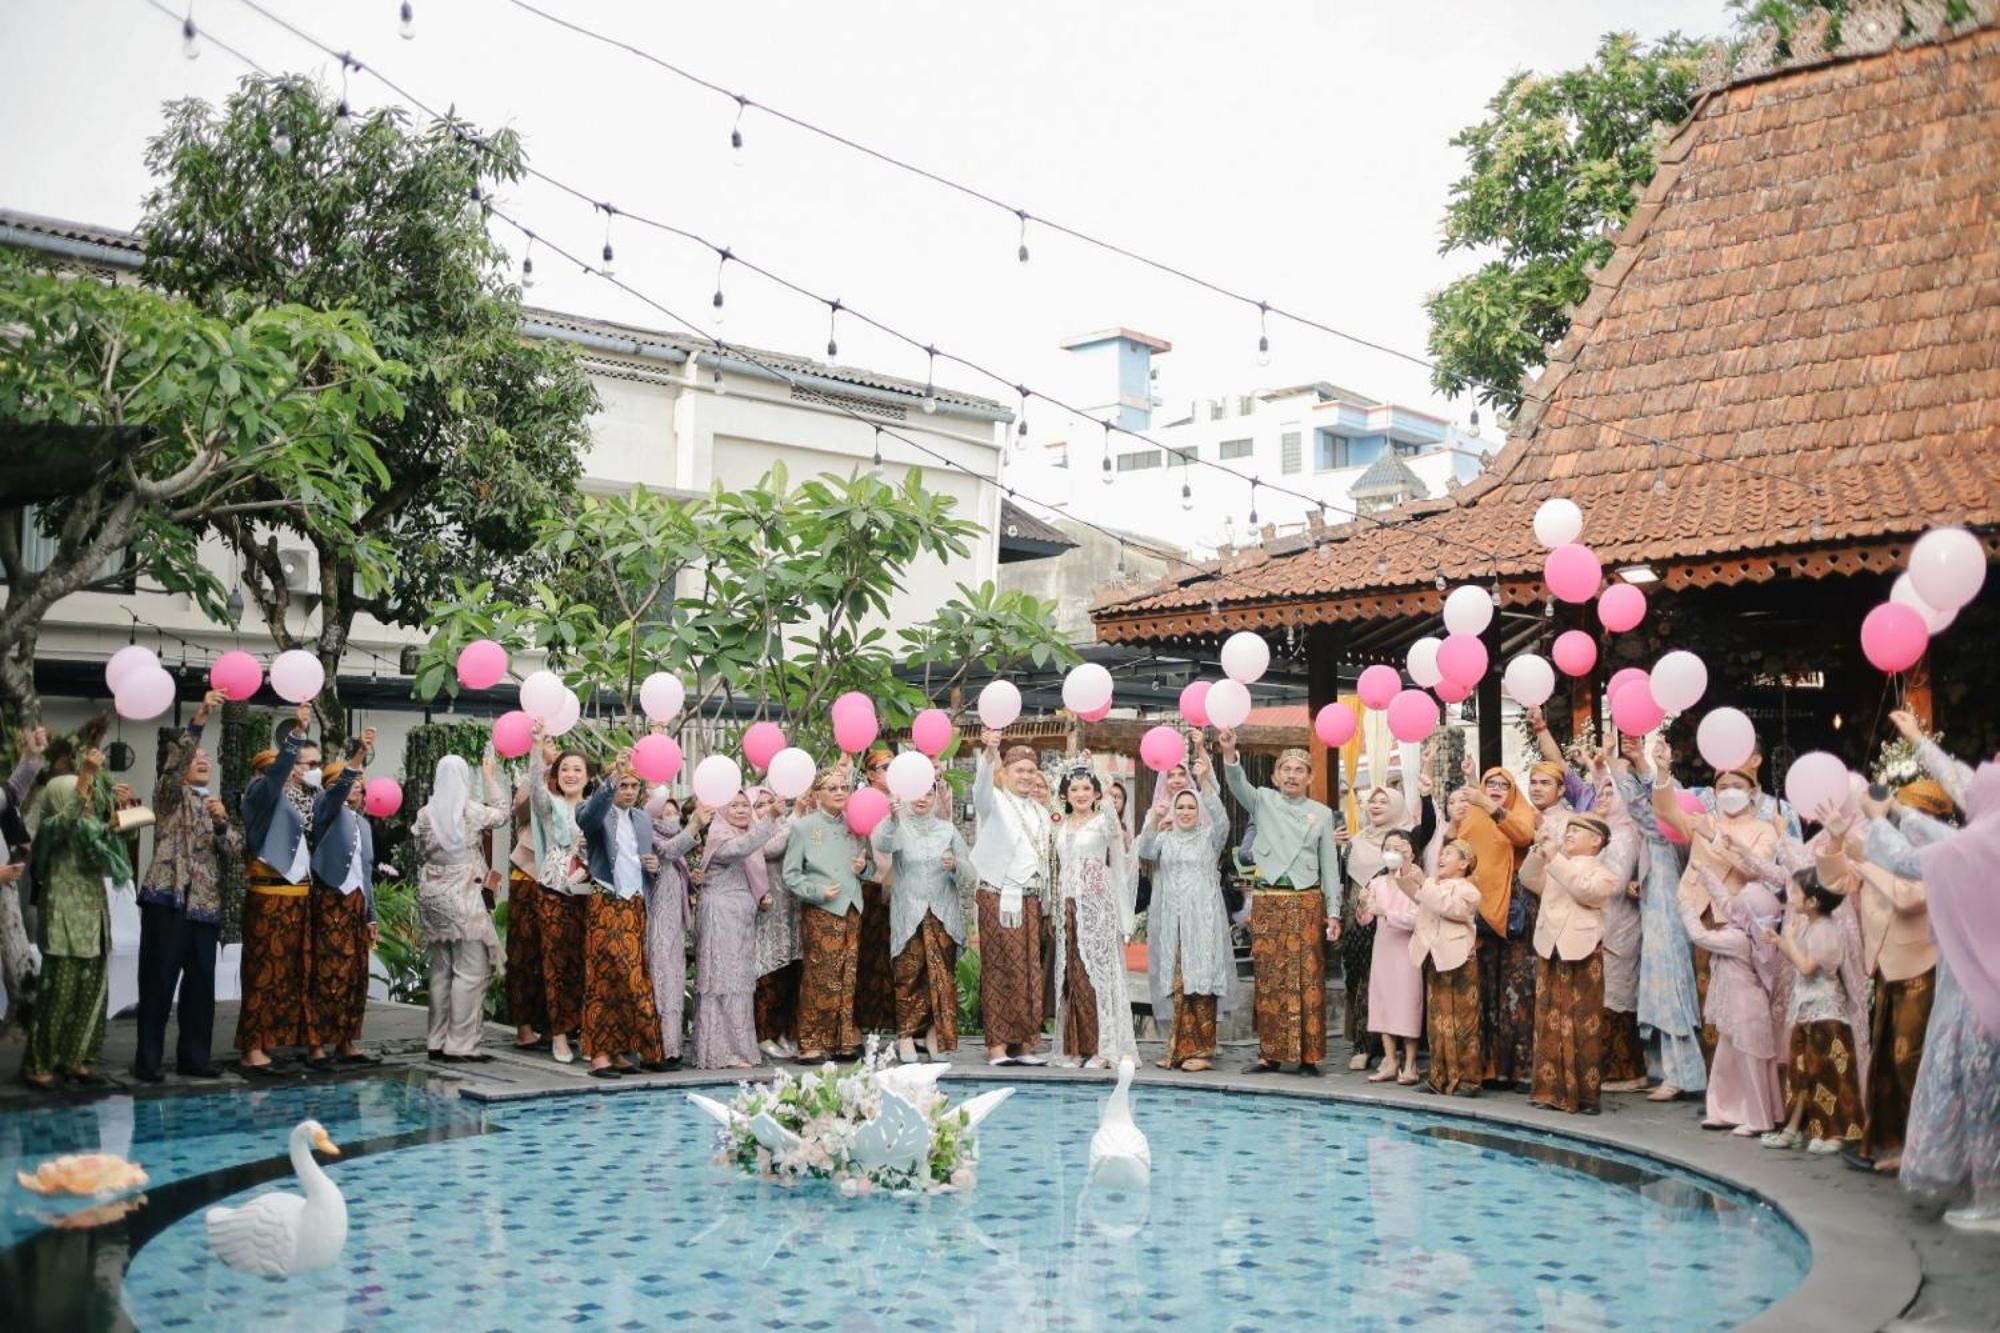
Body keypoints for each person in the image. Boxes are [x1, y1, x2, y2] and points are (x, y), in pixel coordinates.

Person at [1862, 742, 2000, 1232]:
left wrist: (1879, 819)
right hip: (1983, 988)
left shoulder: (1979, 844)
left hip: (1980, 998)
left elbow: (1911, 860)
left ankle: (1991, 1200)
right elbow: (1949, 837)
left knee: (1982, 1099)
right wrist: (1902, 810)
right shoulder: (1987, 841)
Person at [130, 694, 239, 1082]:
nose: (203, 761)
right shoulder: (168, 797)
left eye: (208, 758)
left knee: (201, 987)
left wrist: (223, 823)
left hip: (204, 907)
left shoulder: (214, 806)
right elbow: (175, 764)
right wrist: (202, 716)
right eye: (197, 758)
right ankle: (147, 1061)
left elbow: (234, 850)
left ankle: (195, 1058)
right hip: (167, 901)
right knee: (158, 982)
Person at [1220, 733, 1339, 1076]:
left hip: (1306, 900)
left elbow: (1329, 866)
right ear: (1275, 776)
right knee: (1269, 977)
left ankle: (1309, 1055)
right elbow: (1237, 782)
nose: (1291, 775)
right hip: (1269, 899)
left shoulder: (1322, 814)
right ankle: (1269, 1054)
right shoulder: (1263, 800)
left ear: (1310, 777)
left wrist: (1333, 912)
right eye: (1285, 769)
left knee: (1308, 977)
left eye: (1299, 770)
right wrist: (1229, 752)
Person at [19, 747, 125, 1089]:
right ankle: (39, 1064)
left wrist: (116, 819)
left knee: (91, 994)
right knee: (58, 996)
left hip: (94, 922)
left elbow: (109, 849)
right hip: (64, 922)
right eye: (82, 793)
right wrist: (87, 774)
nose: (88, 799)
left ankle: (76, 1059)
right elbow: (67, 820)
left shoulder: (90, 831)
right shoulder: (51, 829)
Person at [1616, 735, 1705, 1100]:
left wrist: (1647, 767)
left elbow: (1652, 812)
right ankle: (1667, 1070)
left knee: (1673, 989)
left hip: (1673, 918)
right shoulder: (1651, 838)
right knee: (1659, 990)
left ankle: (1683, 1074)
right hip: (1655, 916)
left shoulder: (1673, 832)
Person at [236, 702, 319, 1074]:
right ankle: (252, 1048)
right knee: (262, 971)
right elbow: (276, 777)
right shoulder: (259, 792)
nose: (286, 775)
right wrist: (297, 734)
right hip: (270, 896)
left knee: (286, 973)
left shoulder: (287, 801)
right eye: (280, 769)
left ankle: (271, 1041)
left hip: (295, 896)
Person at [1137, 752, 1234, 1073]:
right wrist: (1154, 820)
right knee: (1179, 983)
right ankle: (1177, 1049)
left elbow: (1222, 821)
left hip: (1203, 921)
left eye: (1192, 807)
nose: (1186, 812)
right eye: (1181, 807)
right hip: (1173, 922)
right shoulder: (1165, 839)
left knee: (1202, 983)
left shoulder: (1209, 839)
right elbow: (1145, 850)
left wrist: (1204, 783)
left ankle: (1203, 1050)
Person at [575, 755, 669, 1078]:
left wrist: (653, 868)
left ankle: (618, 1050)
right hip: (606, 901)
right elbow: (587, 819)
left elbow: (645, 860)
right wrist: (612, 778)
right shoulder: (595, 811)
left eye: (633, 786)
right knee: (604, 976)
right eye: (623, 785)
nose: (628, 791)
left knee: (631, 978)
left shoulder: (642, 819)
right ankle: (598, 1054)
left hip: (634, 904)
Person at [1521, 812, 1618, 1115]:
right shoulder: (1557, 864)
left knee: (1583, 1021)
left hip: (1582, 949)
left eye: (1578, 830)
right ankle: (1548, 1090)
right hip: (1550, 945)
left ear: (1596, 841)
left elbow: (1584, 891)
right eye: (1569, 829)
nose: (1570, 834)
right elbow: (1528, 879)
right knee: (1547, 1018)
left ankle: (1585, 1096)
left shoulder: (1604, 873)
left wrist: (1555, 858)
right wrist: (1538, 854)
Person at [415, 753, 508, 1065]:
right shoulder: (471, 810)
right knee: (470, 971)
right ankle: (461, 1044)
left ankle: (436, 1040)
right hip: (464, 895)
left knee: (441, 970)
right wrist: (489, 777)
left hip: (433, 896)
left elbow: (421, 850)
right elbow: (503, 813)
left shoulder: (425, 814)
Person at [1762, 869, 1864, 1153]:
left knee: (1828, 1074)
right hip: (1808, 1010)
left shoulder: (1827, 930)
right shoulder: (1812, 926)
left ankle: (1835, 1134)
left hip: (1826, 1013)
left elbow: (1807, 967)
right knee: (1802, 1073)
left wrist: (1788, 940)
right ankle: (1797, 1128)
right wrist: (1781, 942)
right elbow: (1802, 960)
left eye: (1796, 892)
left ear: (1813, 902)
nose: (1790, 896)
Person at [684, 787, 786, 1069]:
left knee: (739, 984)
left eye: (744, 805)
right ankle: (718, 1052)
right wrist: (770, 818)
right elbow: (740, 849)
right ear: (720, 810)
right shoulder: (720, 836)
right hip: (720, 916)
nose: (741, 810)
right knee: (721, 982)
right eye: (733, 805)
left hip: (741, 919)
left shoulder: (745, 833)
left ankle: (738, 1050)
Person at [969, 732, 1053, 1068]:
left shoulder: (1040, 812)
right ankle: (997, 1047)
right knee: (1000, 969)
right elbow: (980, 790)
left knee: (1029, 971)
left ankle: (1023, 1045)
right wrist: (991, 752)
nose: (1026, 777)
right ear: (1005, 772)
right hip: (999, 896)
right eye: (1020, 770)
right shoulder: (995, 802)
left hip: (1031, 899)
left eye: (1031, 771)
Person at [1680, 879, 1785, 1135]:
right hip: (1738, 1009)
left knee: (1751, 1064)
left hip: (1745, 1009)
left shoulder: (1737, 938)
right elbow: (1727, 903)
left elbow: (1700, 936)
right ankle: (1723, 1110)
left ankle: (1760, 1120)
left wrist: (1686, 908)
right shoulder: (1748, 932)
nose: (1732, 905)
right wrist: (1706, 875)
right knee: (1726, 1062)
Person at [878, 782, 974, 1062]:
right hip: (909, 911)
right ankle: (905, 1036)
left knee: (941, 977)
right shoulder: (899, 827)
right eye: (916, 793)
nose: (922, 799)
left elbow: (970, 874)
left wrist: (956, 865)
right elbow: (882, 844)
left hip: (942, 913)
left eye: (928, 793)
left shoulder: (948, 830)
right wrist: (892, 818)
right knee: (907, 975)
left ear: (935, 797)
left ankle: (933, 1035)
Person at [1051, 766, 1137, 1069]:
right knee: (1073, 976)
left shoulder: (1103, 822)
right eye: (1074, 789)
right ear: (1065, 794)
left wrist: (1109, 790)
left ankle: (1103, 1048)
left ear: (1096, 793)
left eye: (1087, 788)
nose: (1081, 794)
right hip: (1069, 905)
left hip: (1097, 906)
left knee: (1098, 976)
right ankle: (1077, 1047)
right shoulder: (1061, 825)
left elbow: (1117, 847)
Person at [305, 730, 380, 1069]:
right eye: (350, 782)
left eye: (360, 784)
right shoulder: (325, 808)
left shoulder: (363, 824)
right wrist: (358, 756)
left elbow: (366, 872)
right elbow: (335, 793)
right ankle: (317, 1045)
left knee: (354, 975)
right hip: (330, 899)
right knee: (327, 973)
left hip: (356, 904)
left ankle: (346, 1041)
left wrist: (371, 914)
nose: (356, 787)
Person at [783, 766, 869, 1063]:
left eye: (844, 787)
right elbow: (791, 875)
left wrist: (863, 869)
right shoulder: (803, 827)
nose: (840, 792)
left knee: (848, 975)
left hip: (852, 907)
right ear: (817, 794)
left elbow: (866, 866)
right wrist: (818, 892)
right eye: (832, 788)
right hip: (822, 910)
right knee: (820, 977)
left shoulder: (856, 824)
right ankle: (810, 1043)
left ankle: (842, 1041)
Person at [1343, 786, 1428, 1075]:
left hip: (1403, 943)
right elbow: (1351, 891)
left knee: (1404, 997)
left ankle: (1405, 1059)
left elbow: (1418, 913)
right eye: (1373, 801)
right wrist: (1360, 907)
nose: (1377, 805)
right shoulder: (1357, 842)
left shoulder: (1412, 860)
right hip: (1367, 935)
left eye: (1384, 801)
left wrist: (1426, 795)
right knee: (1368, 989)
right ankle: (1370, 1049)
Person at [522, 733, 591, 1064]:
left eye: (577, 769)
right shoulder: (550, 805)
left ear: (587, 777)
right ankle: (559, 1035)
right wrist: (538, 749)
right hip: (553, 890)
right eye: (564, 769)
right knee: (556, 962)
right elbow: (536, 787)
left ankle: (586, 1031)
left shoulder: (596, 809)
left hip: (589, 892)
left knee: (585, 963)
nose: (570, 775)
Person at [1468, 767, 1539, 1089]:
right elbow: (1460, 850)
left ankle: (1518, 1070)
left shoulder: (1522, 814)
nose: (1496, 788)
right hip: (1480, 912)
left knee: (1516, 991)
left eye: (1503, 784)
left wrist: (1492, 808)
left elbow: (1523, 836)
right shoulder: (1473, 817)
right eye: (1490, 783)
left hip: (1514, 915)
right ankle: (1487, 1068)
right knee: (1484, 990)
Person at [1403, 838, 1483, 1096]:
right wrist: (1405, 868)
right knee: (1437, 1021)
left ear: (1464, 864)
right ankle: (1439, 1078)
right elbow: (1414, 892)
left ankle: (1468, 1080)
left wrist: (1424, 882)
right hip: (1435, 957)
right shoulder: (1433, 886)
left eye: (1449, 853)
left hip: (1460, 960)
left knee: (1463, 1022)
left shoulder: (1469, 890)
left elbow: (1451, 908)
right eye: (1442, 853)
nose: (1441, 857)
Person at [1355, 828, 1423, 1084]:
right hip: (1383, 948)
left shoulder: (1418, 883)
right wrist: (1363, 903)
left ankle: (1411, 1063)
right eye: (1387, 848)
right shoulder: (1377, 883)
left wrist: (1387, 913)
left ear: (1410, 853)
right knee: (1383, 1002)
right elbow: (1364, 920)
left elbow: (1418, 919)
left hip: (1407, 950)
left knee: (1407, 1003)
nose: (1392, 853)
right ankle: (1390, 1061)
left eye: (1398, 848)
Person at [642, 784, 695, 1069]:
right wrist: (695, 825)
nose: (671, 817)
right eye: (665, 813)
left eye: (675, 813)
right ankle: (656, 1047)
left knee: (674, 983)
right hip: (657, 923)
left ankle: (672, 1047)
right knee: (659, 981)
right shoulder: (650, 839)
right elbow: (668, 850)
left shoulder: (679, 849)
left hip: (675, 926)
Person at [1, 727, 47, 1039]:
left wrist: (31, 757)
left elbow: (12, 792)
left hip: (5, 891)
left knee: (20, 965)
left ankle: (23, 1018)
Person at [751, 786, 804, 1059]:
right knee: (768, 973)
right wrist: (795, 815)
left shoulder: (787, 825)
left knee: (791, 973)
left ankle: (785, 1032)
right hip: (767, 911)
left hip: (793, 908)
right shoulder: (753, 833)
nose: (767, 808)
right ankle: (764, 1034)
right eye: (759, 805)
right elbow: (771, 848)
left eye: (770, 802)